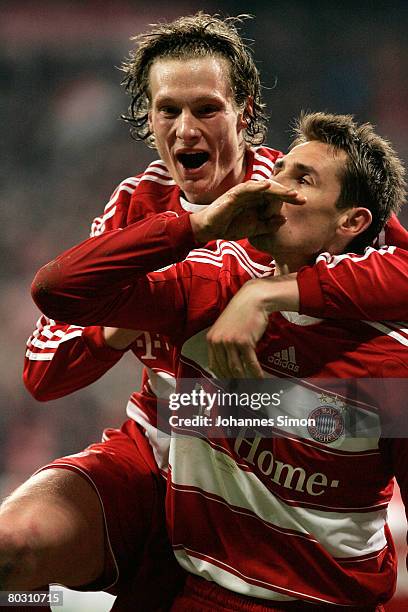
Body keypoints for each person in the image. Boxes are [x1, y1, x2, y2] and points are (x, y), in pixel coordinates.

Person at [12, 10, 408, 610]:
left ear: (244, 109)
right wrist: (121, 320)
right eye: (168, 110)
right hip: (155, 452)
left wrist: (267, 293)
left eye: (206, 108)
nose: (185, 128)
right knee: (11, 549)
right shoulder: (138, 212)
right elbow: (45, 372)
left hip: (262, 466)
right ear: (148, 120)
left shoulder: (295, 201)